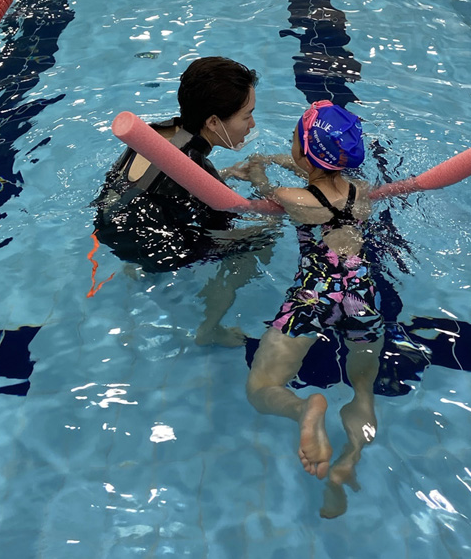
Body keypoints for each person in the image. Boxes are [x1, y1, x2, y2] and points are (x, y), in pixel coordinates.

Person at [241, 101, 383, 518]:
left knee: (261, 389)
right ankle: (350, 458)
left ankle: (304, 408)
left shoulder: (292, 199)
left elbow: (266, 192)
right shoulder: (363, 192)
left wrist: (257, 172)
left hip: (313, 296)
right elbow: (320, 174)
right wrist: (284, 158)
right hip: (360, 296)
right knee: (364, 392)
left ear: (303, 151)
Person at [93, 56, 273, 344]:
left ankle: (135, 266)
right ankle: (209, 330)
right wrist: (270, 201)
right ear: (213, 122)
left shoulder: (157, 132)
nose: (251, 124)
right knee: (258, 241)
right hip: (149, 246)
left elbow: (162, 180)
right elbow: (227, 222)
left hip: (109, 222)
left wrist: (223, 175)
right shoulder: (197, 169)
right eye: (246, 115)